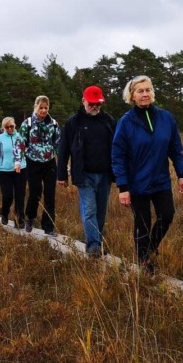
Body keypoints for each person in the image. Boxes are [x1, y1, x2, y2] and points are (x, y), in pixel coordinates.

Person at [111, 75, 183, 272]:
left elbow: (175, 148)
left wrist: (181, 174)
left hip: (161, 181)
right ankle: (144, 261)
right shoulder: (126, 122)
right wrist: (123, 187)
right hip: (137, 184)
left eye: (148, 90)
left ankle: (150, 248)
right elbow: (118, 155)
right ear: (132, 96)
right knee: (142, 224)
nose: (145, 94)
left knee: (167, 215)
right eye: (140, 91)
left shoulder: (166, 118)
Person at [58, 85, 117, 258]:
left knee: (101, 212)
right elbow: (63, 150)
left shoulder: (108, 121)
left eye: (98, 104)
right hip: (84, 175)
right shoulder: (73, 123)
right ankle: (93, 246)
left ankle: (97, 240)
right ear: (83, 101)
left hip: (105, 174)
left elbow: (118, 147)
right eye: (91, 103)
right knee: (89, 209)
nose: (94, 107)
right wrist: (61, 174)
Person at [16, 96, 61, 235]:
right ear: (36, 107)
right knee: (35, 193)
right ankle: (30, 218)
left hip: (49, 163)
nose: (43, 110)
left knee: (50, 195)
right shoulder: (27, 123)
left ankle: (48, 227)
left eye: (46, 108)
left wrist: (63, 163)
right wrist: (18, 161)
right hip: (33, 162)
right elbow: (20, 143)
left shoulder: (53, 124)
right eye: (41, 108)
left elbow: (58, 144)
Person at [0, 116, 27, 228]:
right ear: (3, 127)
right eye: (7, 127)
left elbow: (23, 152)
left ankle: (19, 220)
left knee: (20, 196)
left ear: (15, 125)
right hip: (4, 171)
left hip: (20, 170)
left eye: (12, 126)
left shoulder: (20, 137)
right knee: (8, 196)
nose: (10, 129)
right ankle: (4, 212)